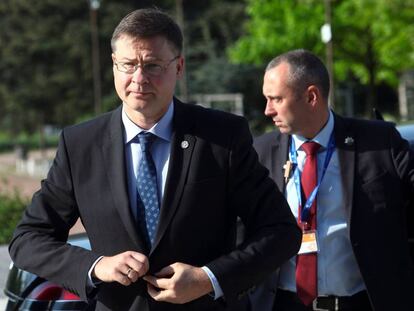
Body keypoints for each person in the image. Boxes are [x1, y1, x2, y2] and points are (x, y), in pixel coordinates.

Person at [8, 9, 301, 311]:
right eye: (128, 65)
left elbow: (281, 231)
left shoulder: (222, 137)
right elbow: (27, 239)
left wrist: (208, 279)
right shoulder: (80, 145)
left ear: (179, 67)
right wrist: (96, 266)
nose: (139, 78)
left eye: (153, 65)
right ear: (113, 66)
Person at [251, 49, 414, 311]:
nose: (267, 110)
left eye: (276, 99)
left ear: (311, 96)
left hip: (361, 303)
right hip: (283, 303)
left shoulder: (379, 143)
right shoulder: (259, 152)